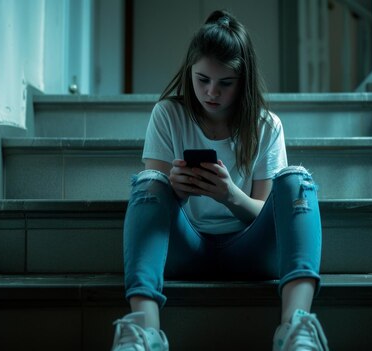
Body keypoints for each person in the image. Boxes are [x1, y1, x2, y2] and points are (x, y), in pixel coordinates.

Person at [111, 9, 330, 351]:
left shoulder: (266, 126)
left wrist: (230, 196)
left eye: (225, 83)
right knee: (149, 182)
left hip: (249, 248)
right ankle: (145, 331)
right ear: (189, 73)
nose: (212, 92)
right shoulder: (168, 115)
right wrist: (178, 193)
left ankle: (296, 327)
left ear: (242, 81)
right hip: (185, 247)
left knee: (296, 182)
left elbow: (265, 213)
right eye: (202, 80)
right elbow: (154, 196)